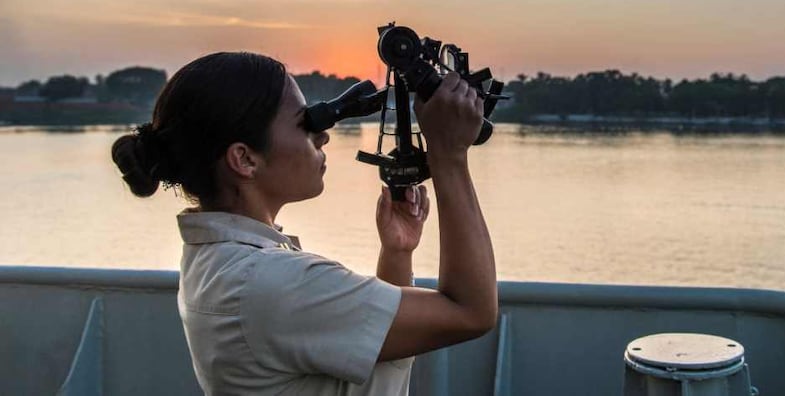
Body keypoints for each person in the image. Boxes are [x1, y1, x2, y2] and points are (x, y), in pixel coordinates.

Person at [111, 51, 497, 395]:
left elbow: (373, 341)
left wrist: (397, 253)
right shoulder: (268, 282)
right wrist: (449, 156)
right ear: (244, 159)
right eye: (304, 123)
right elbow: (470, 312)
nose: (323, 136)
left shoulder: (225, 265)